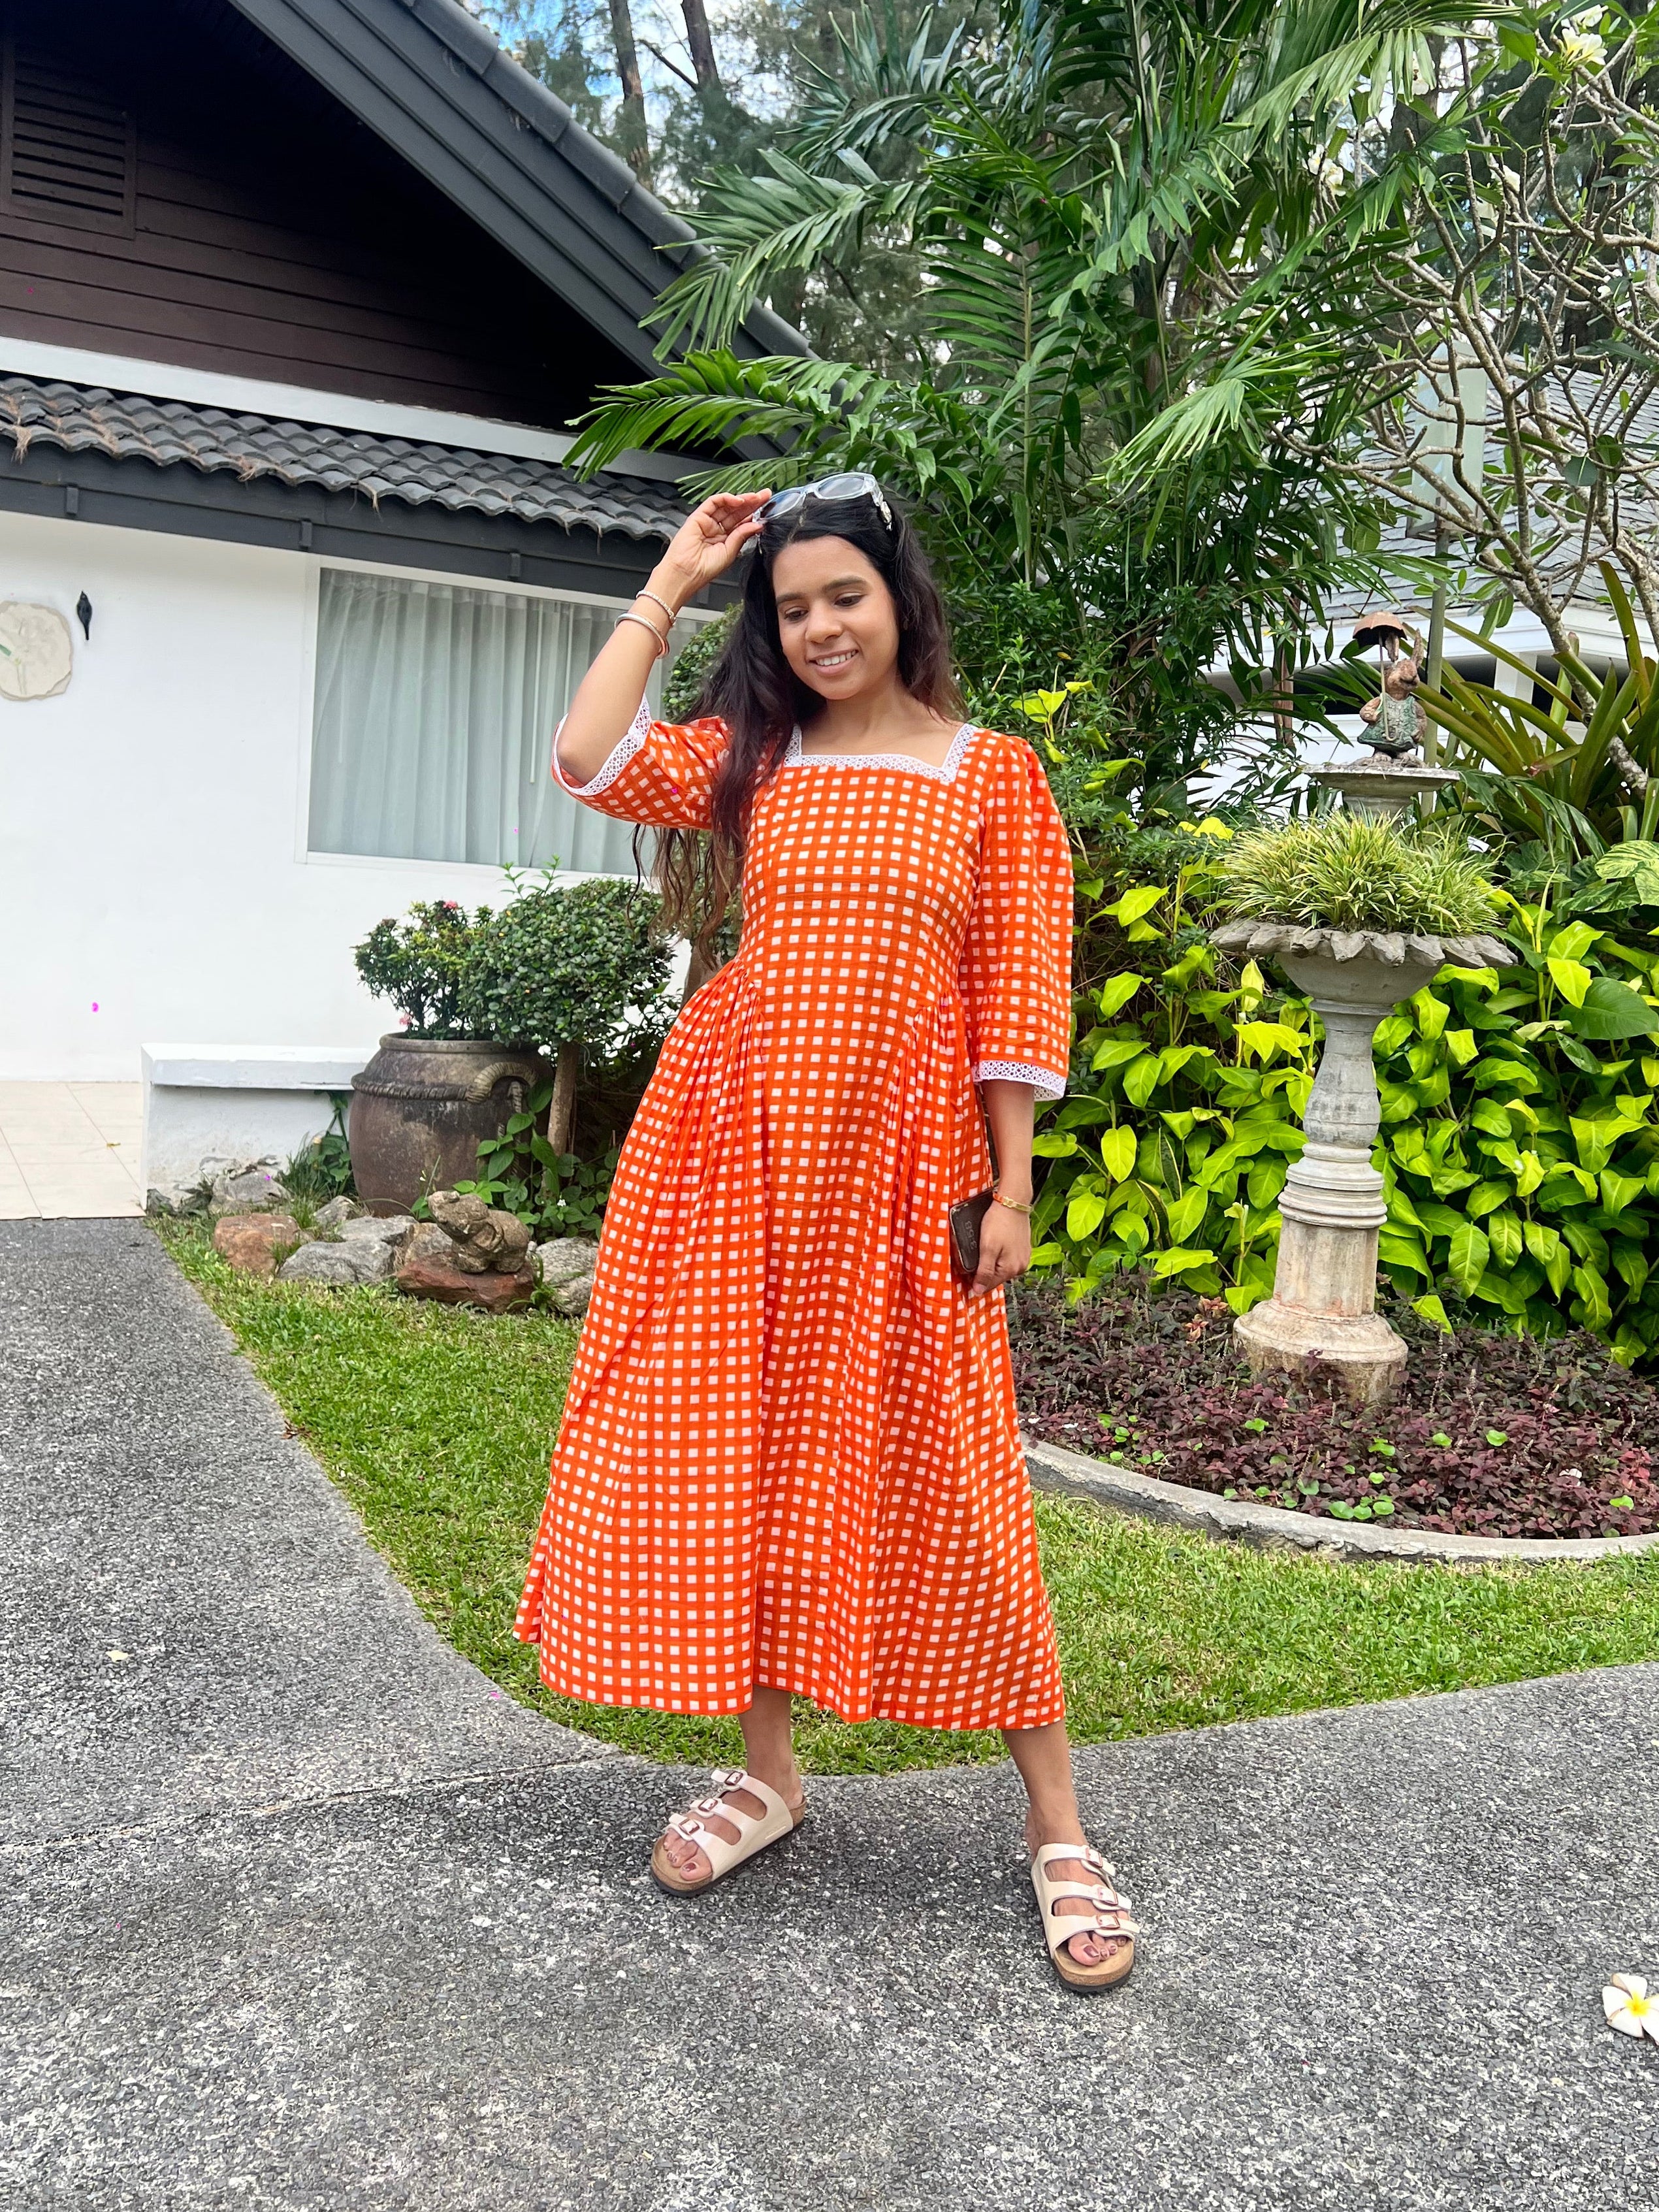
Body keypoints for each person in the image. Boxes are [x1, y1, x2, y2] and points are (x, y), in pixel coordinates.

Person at [513, 478, 1139, 1991]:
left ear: (897, 596)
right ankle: (770, 1772)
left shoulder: (989, 774)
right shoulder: (758, 759)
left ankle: (1058, 1826)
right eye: (790, 609)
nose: (816, 628)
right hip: (736, 1157)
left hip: (903, 1161)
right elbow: (585, 758)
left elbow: (1016, 998)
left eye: (840, 597)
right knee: (742, 1452)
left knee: (955, 1470)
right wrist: (675, 574)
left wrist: (1013, 1185)